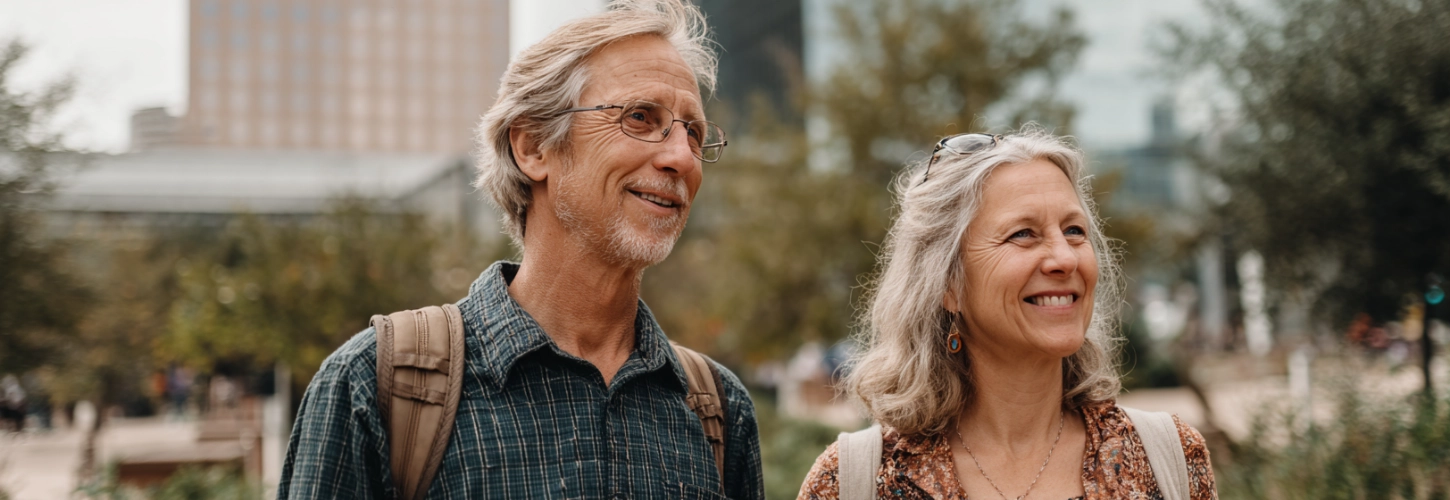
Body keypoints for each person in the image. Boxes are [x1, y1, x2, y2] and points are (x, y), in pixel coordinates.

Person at [277, 1, 763, 498]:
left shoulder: (718, 411)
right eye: (640, 117)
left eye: (695, 132)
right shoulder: (373, 388)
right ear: (533, 147)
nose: (682, 157)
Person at [798, 127, 1216, 499]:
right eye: (1024, 234)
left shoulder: (1167, 460)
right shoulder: (854, 482)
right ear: (948, 285)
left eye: (1074, 230)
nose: (1064, 258)